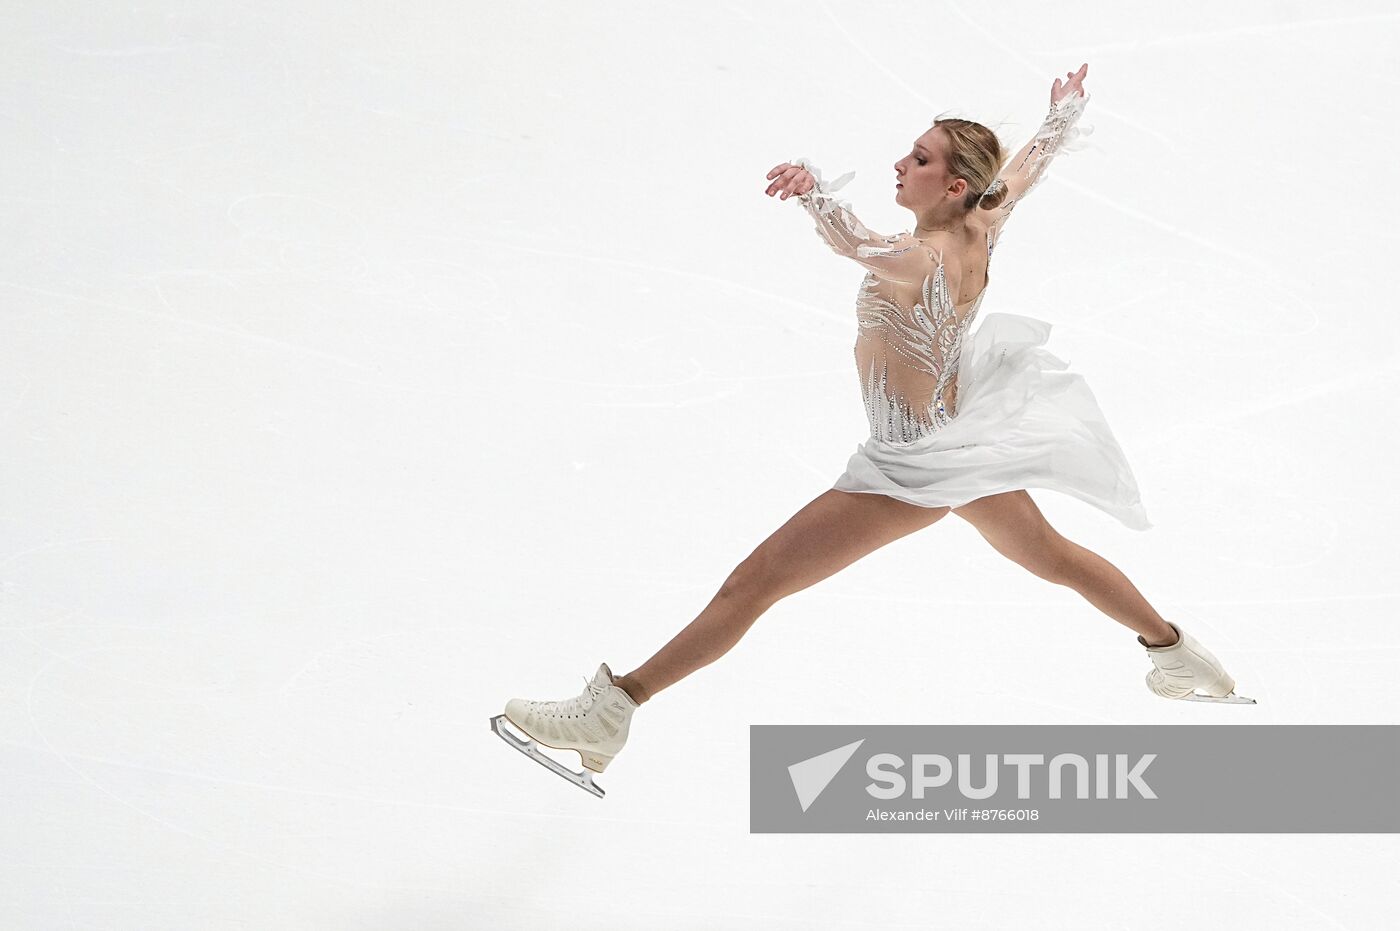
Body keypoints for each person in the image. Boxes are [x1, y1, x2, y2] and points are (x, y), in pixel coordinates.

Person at [491, 64, 1255, 798]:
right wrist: (1061, 115)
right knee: (1050, 554)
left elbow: (851, 241)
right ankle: (1177, 653)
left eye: (918, 158)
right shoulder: (985, 220)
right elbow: (1024, 170)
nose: (900, 162)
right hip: (958, 440)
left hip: (911, 465)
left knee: (749, 586)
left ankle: (613, 708)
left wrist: (813, 193)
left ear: (952, 184)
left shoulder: (918, 258)